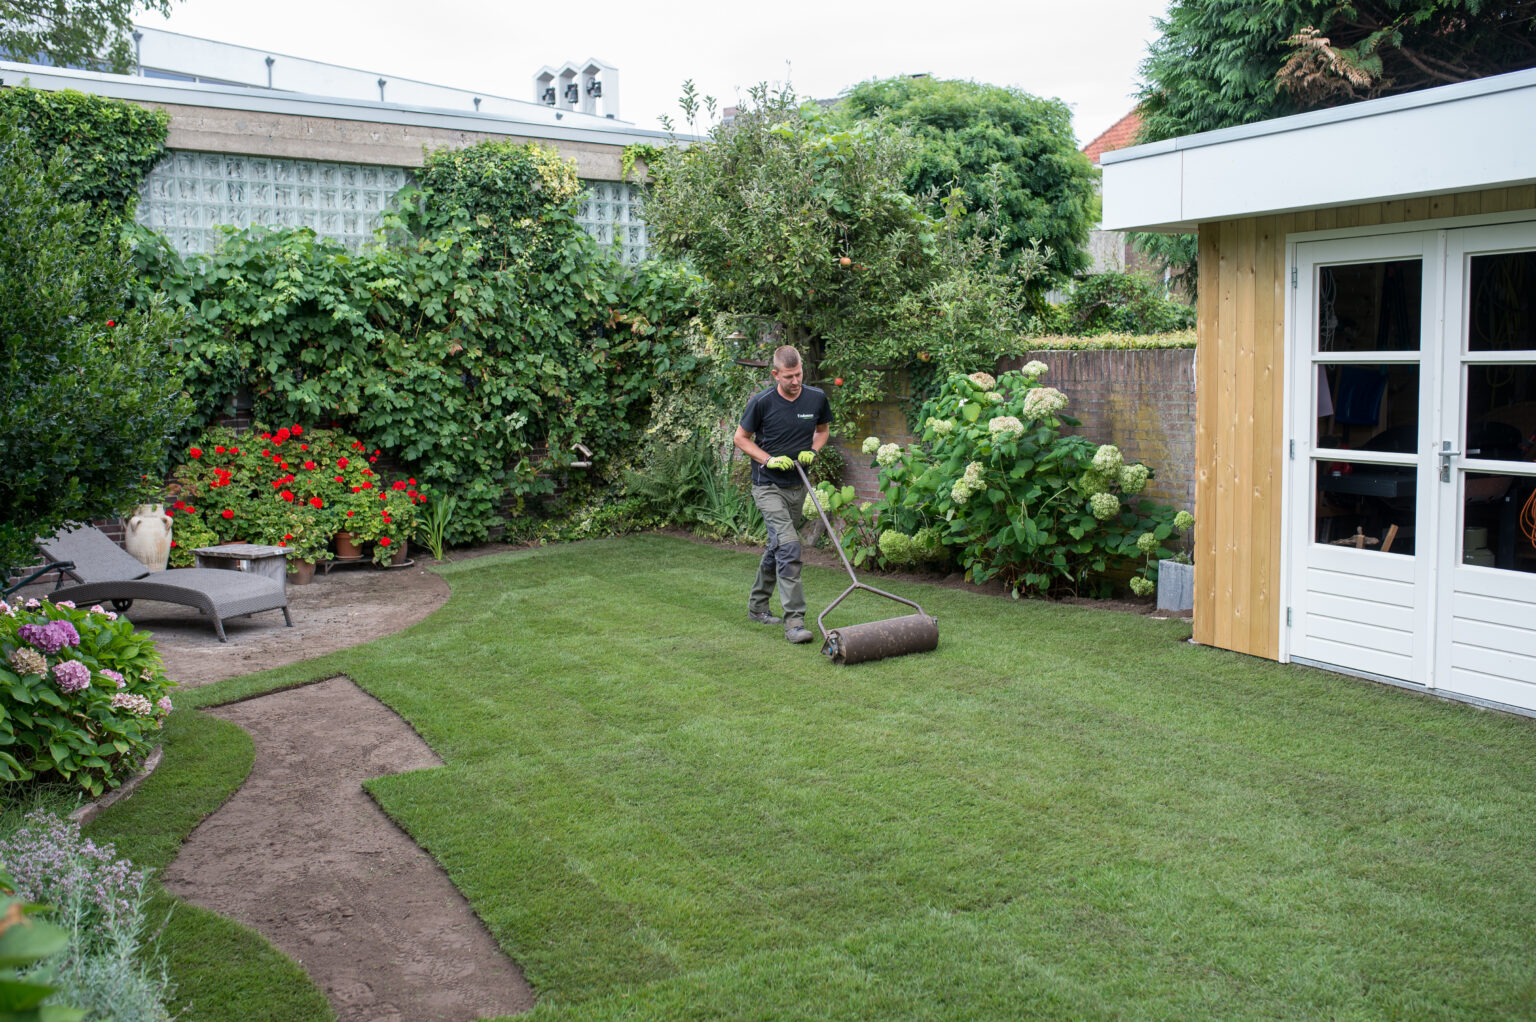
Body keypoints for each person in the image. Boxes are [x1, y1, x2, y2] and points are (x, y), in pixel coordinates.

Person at [733, 345, 831, 644]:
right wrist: (768, 459)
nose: (795, 381)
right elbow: (740, 438)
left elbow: (822, 430)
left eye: (799, 373)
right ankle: (795, 622)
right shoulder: (762, 402)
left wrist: (813, 451)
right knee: (789, 547)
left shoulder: (816, 397)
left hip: (797, 486)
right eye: (788, 376)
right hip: (767, 485)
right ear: (775, 374)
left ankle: (757, 607)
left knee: (777, 546)